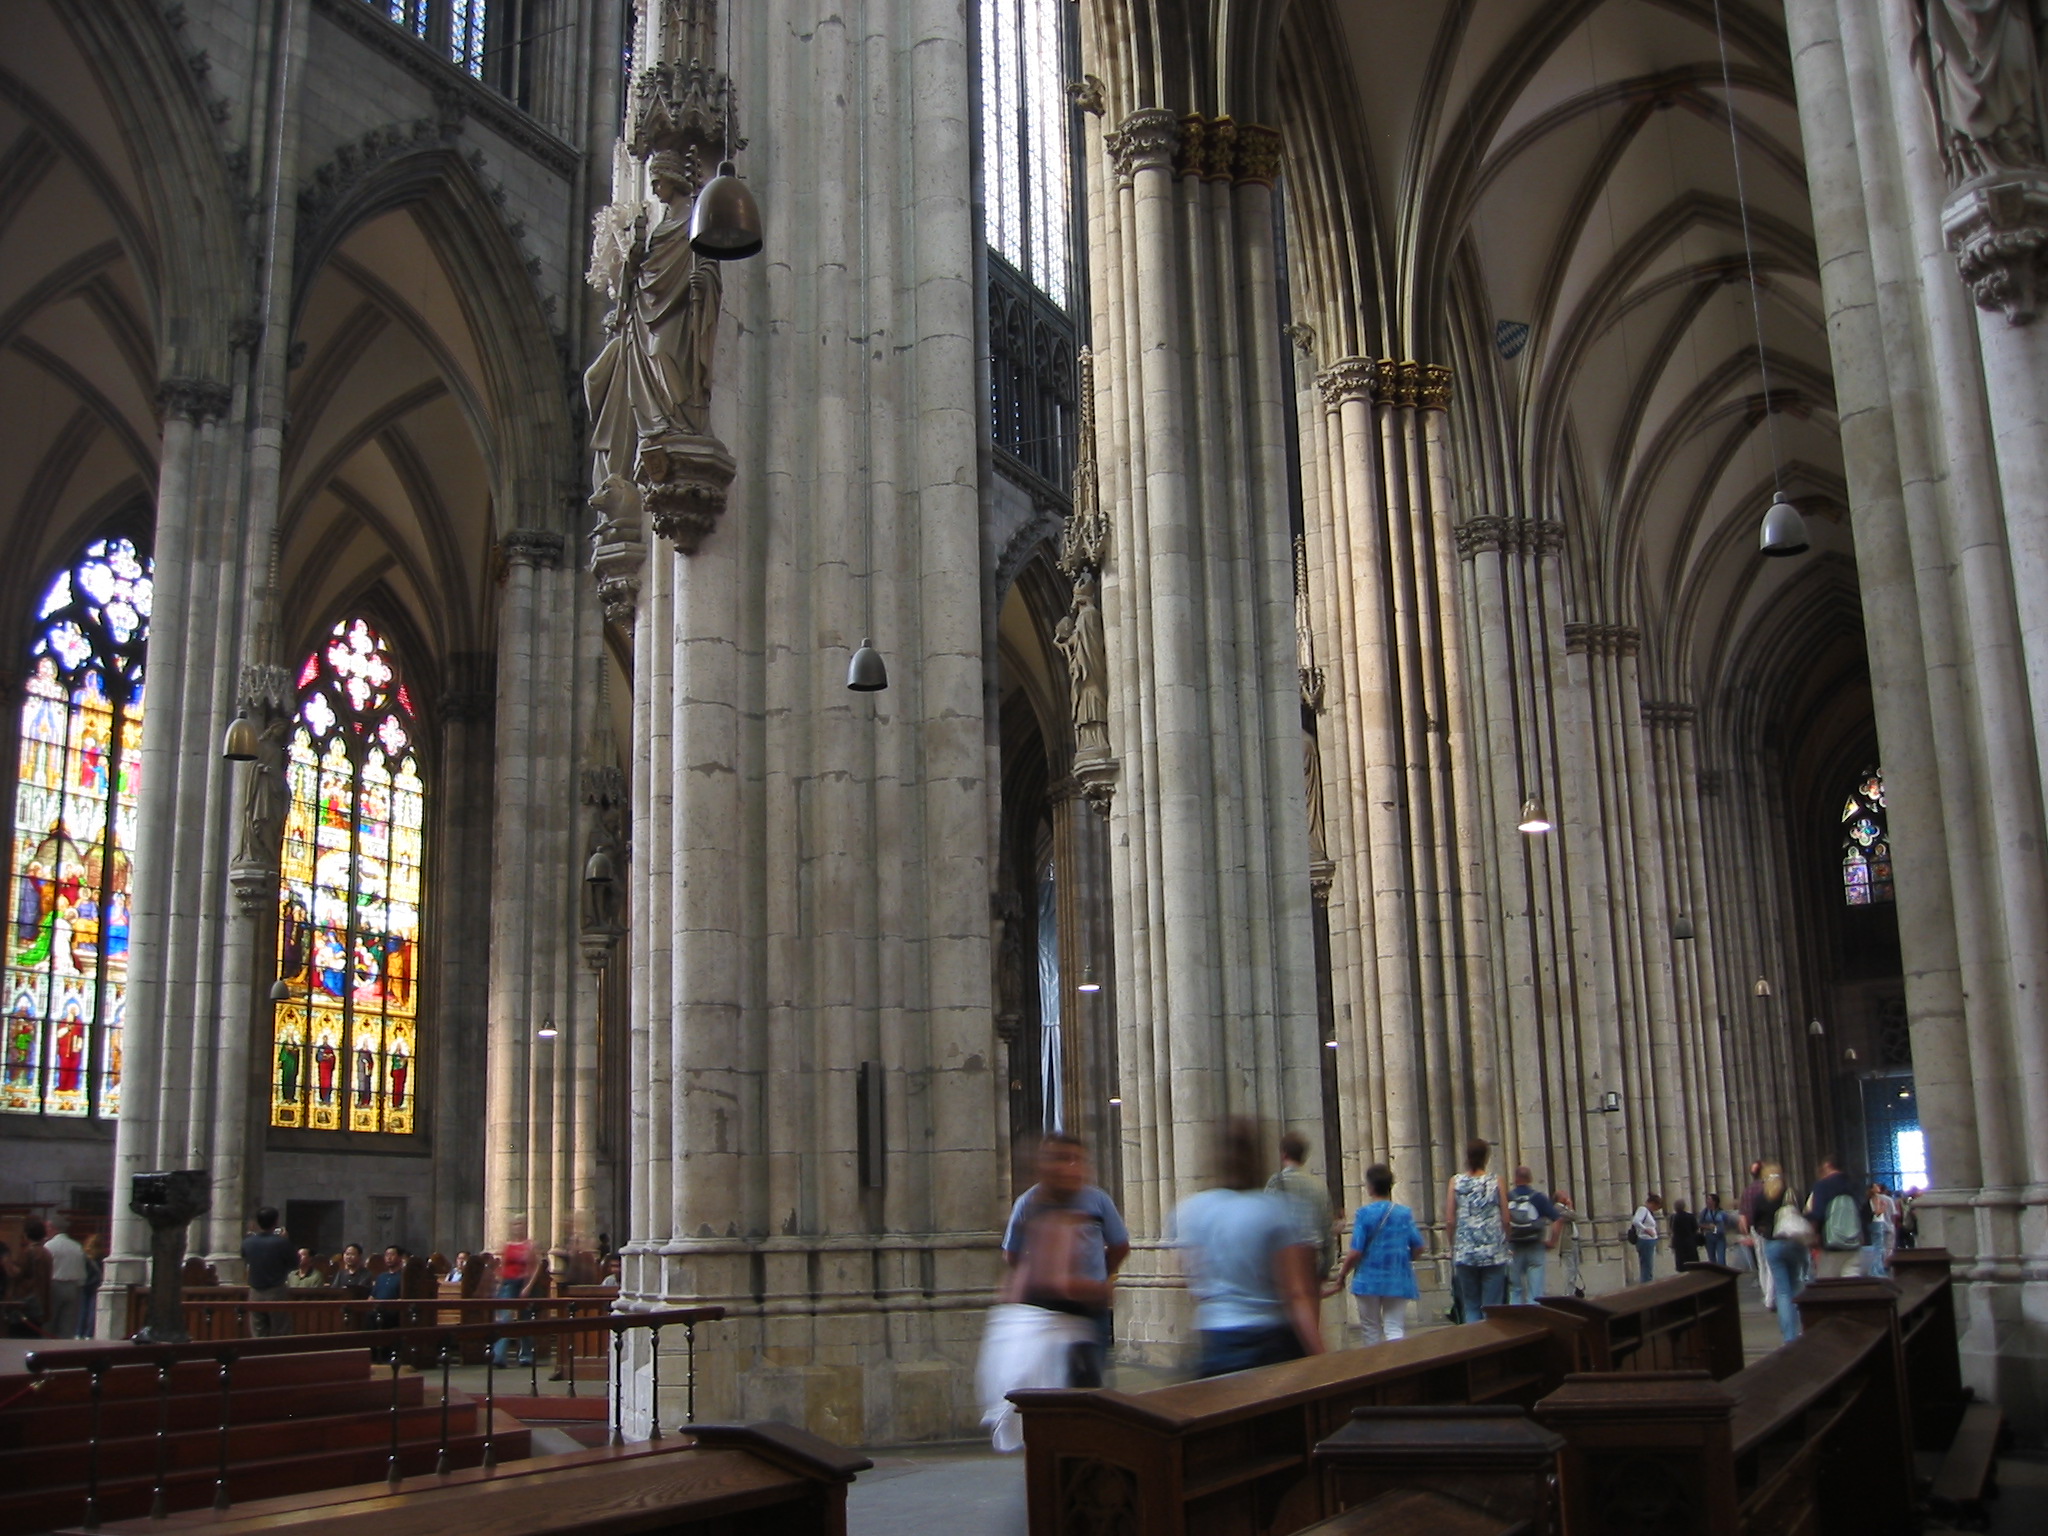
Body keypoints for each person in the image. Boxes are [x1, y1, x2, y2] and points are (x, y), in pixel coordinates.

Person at [1171, 1117, 1325, 1377]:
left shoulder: (1191, 1210)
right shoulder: (1277, 1210)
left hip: (1216, 1338)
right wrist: (1321, 1358)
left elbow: (1192, 1279)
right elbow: (1297, 1293)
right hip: (1270, 1340)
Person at [1001, 1133, 1130, 1387]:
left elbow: (1119, 1245)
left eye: (1077, 1160)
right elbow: (1015, 1257)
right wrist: (1092, 1288)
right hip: (1047, 1322)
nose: (1072, 1167)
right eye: (1063, 1159)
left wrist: (1102, 1273)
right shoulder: (1030, 1206)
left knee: (1089, 1387)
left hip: (1088, 1317)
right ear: (1044, 1166)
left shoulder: (1096, 1200)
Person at [1336, 1163, 1425, 1344]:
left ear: (1370, 1187)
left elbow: (1355, 1251)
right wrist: (1404, 1261)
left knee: (1371, 1330)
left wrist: (1342, 1274)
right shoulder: (1403, 1213)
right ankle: (1398, 1367)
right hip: (1397, 1278)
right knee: (1394, 1327)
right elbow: (1419, 1246)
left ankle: (1376, 1368)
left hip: (1368, 1280)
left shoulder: (1364, 1214)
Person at [1444, 1138, 1511, 1321]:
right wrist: (1507, 1241)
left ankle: (1474, 1343)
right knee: (1492, 1307)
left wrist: (1452, 1246)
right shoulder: (1496, 1181)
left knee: (1471, 1305)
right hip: (1493, 1251)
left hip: (1465, 1252)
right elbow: (1506, 1217)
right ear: (1486, 1157)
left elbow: (1450, 1219)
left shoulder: (1455, 1182)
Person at [1267, 1130, 1336, 1284]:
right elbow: (1327, 1228)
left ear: (1283, 1154)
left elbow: (1265, 1223)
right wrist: (1326, 1267)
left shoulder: (1275, 1183)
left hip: (1285, 1261)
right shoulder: (1319, 1186)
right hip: (1312, 1260)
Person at [1754, 1162, 1810, 1341]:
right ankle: (1803, 1329)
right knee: (1797, 1284)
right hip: (1794, 1243)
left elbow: (1755, 1222)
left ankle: (1789, 1337)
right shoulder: (1792, 1193)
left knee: (1783, 1292)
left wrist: (1766, 1230)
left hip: (1773, 1245)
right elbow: (1804, 1212)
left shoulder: (1762, 1198)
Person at [1504, 1166, 1562, 1304]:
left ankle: (1513, 1322)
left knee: (1515, 1289)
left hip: (1514, 1246)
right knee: (1535, 1292)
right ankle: (1534, 1320)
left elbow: (1501, 1222)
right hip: (1535, 1245)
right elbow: (1558, 1220)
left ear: (1515, 1179)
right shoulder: (1538, 1198)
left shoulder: (1507, 1197)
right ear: (1530, 1179)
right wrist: (1552, 1241)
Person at [1805, 1155, 1869, 1278]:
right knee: (1852, 1284)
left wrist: (1813, 1235)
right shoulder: (1855, 1184)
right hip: (1855, 1242)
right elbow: (1863, 1211)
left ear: (1827, 1165)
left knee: (1829, 1286)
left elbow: (1818, 1213)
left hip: (1830, 1245)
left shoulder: (1823, 1185)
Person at [242, 1206, 297, 1336]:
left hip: (255, 1291)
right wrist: (285, 1240)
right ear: (276, 1222)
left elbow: (246, 1259)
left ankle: (260, 1356)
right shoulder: (282, 1243)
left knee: (258, 1332)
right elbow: (294, 1263)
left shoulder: (248, 1242)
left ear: (257, 1222)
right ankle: (279, 1356)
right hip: (276, 1291)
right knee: (281, 1331)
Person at [493, 1220, 539, 1367]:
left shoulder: (529, 1246)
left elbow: (535, 1266)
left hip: (523, 1282)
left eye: (520, 1224)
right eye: (515, 1224)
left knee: (525, 1320)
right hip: (508, 1282)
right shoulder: (507, 1245)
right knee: (504, 1319)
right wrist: (499, 1286)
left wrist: (528, 1286)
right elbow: (502, 1265)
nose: (518, 1227)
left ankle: (526, 1356)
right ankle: (498, 1356)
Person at [4, 1218, 52, 1336]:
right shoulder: (46, 1252)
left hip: (27, 1302)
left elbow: (17, 1273)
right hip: (41, 1301)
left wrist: (6, 1263)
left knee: (19, 1336)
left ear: (26, 1234)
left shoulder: (28, 1252)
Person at [1737, 1161, 1774, 1310]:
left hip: (1755, 1228)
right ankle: (1771, 1297)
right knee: (1770, 1263)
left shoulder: (1748, 1190)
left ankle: (1767, 1295)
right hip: (1768, 1227)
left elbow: (1743, 1214)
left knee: (1762, 1262)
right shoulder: (1768, 1188)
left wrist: (1746, 1231)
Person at [44, 1221, 87, 1339]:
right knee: (68, 1327)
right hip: (74, 1287)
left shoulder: (49, 1246)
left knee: (49, 1324)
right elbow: (82, 1269)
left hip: (54, 1285)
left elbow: (45, 1268)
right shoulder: (76, 1246)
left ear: (54, 1228)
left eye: (48, 1227)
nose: (46, 1231)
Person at [369, 1245, 406, 1362]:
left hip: (393, 1312)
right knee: (368, 1317)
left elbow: (403, 1298)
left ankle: (384, 1355)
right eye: (386, 1255)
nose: (388, 1258)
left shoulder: (403, 1276)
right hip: (377, 1310)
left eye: (392, 1255)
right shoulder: (381, 1277)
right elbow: (372, 1296)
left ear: (400, 1257)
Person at [1551, 1191, 1586, 1297]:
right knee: (1570, 1270)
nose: (1567, 1196)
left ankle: (1572, 1293)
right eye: (1564, 1195)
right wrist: (1570, 1206)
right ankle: (1568, 1295)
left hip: (1573, 1242)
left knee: (1574, 1270)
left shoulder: (1564, 1209)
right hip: (1567, 1244)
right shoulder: (1557, 1208)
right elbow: (1574, 1216)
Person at [1629, 1194, 1663, 1284]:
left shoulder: (1647, 1211)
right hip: (1645, 1240)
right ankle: (1646, 1283)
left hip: (1649, 1240)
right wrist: (1646, 1229)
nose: (1656, 1210)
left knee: (1648, 1265)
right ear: (1652, 1203)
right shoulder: (1643, 1209)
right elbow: (1636, 1221)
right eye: (1656, 1207)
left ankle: (1648, 1281)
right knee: (1647, 1265)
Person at [1866, 1183, 1897, 1278]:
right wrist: (1883, 1207)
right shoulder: (1876, 1198)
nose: (1878, 1187)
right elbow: (1877, 1212)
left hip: (1874, 1223)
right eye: (1876, 1186)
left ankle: (1877, 1269)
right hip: (1878, 1223)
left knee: (1878, 1247)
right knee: (1879, 1248)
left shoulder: (1870, 1198)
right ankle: (1877, 1270)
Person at [79, 1233, 105, 1337]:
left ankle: (79, 1332)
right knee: (92, 1311)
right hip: (95, 1285)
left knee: (82, 1310)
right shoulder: (101, 1257)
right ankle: (89, 1334)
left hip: (85, 1285)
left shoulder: (84, 1257)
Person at [1699, 1193, 1728, 1268]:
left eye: (1709, 1199)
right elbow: (1699, 1223)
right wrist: (1707, 1227)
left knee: (1721, 1260)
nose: (1707, 1201)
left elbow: (1727, 1224)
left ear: (1714, 1201)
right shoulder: (1704, 1212)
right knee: (1712, 1259)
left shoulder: (1722, 1213)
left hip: (1720, 1237)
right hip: (1709, 1237)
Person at [1670, 1200, 1700, 1270]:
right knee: (1692, 1261)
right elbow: (1695, 1228)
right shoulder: (1691, 1216)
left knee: (1681, 1262)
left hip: (1679, 1242)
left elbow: (1672, 1229)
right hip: (1690, 1241)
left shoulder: (1674, 1217)